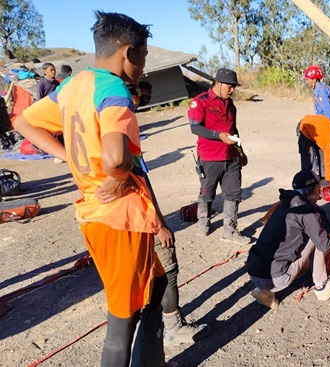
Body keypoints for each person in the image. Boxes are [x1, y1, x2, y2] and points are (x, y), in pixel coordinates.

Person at [14, 11, 174, 367]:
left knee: (156, 285)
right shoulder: (113, 89)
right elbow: (118, 158)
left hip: (100, 212)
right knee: (123, 318)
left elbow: (24, 121)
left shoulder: (73, 86)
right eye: (144, 59)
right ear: (128, 52)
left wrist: (68, 156)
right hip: (119, 217)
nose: (143, 69)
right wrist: (118, 176)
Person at [129, 81, 210, 346]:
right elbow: (140, 189)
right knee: (167, 268)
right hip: (142, 218)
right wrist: (159, 224)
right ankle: (172, 327)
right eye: (141, 97)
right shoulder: (122, 134)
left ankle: (153, 326)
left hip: (125, 219)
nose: (141, 103)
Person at [246, 170, 330, 308]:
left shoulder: (285, 203)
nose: (320, 190)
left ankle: (264, 292)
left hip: (255, 272)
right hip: (276, 278)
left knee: (298, 237)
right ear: (310, 189)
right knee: (318, 238)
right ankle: (321, 286)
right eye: (318, 187)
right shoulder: (307, 212)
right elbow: (324, 245)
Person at [189, 68, 250, 244]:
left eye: (234, 87)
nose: (232, 90)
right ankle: (203, 222)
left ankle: (229, 231)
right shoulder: (200, 102)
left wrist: (241, 150)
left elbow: (234, 130)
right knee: (207, 193)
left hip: (231, 156)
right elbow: (195, 127)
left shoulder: (231, 105)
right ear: (218, 83)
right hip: (209, 156)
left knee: (233, 194)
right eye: (230, 86)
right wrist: (218, 136)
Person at [297, 114, 330, 199]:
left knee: (322, 160)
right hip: (305, 127)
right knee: (308, 162)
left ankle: (323, 186)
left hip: (320, 129)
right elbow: (329, 165)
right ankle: (305, 191)